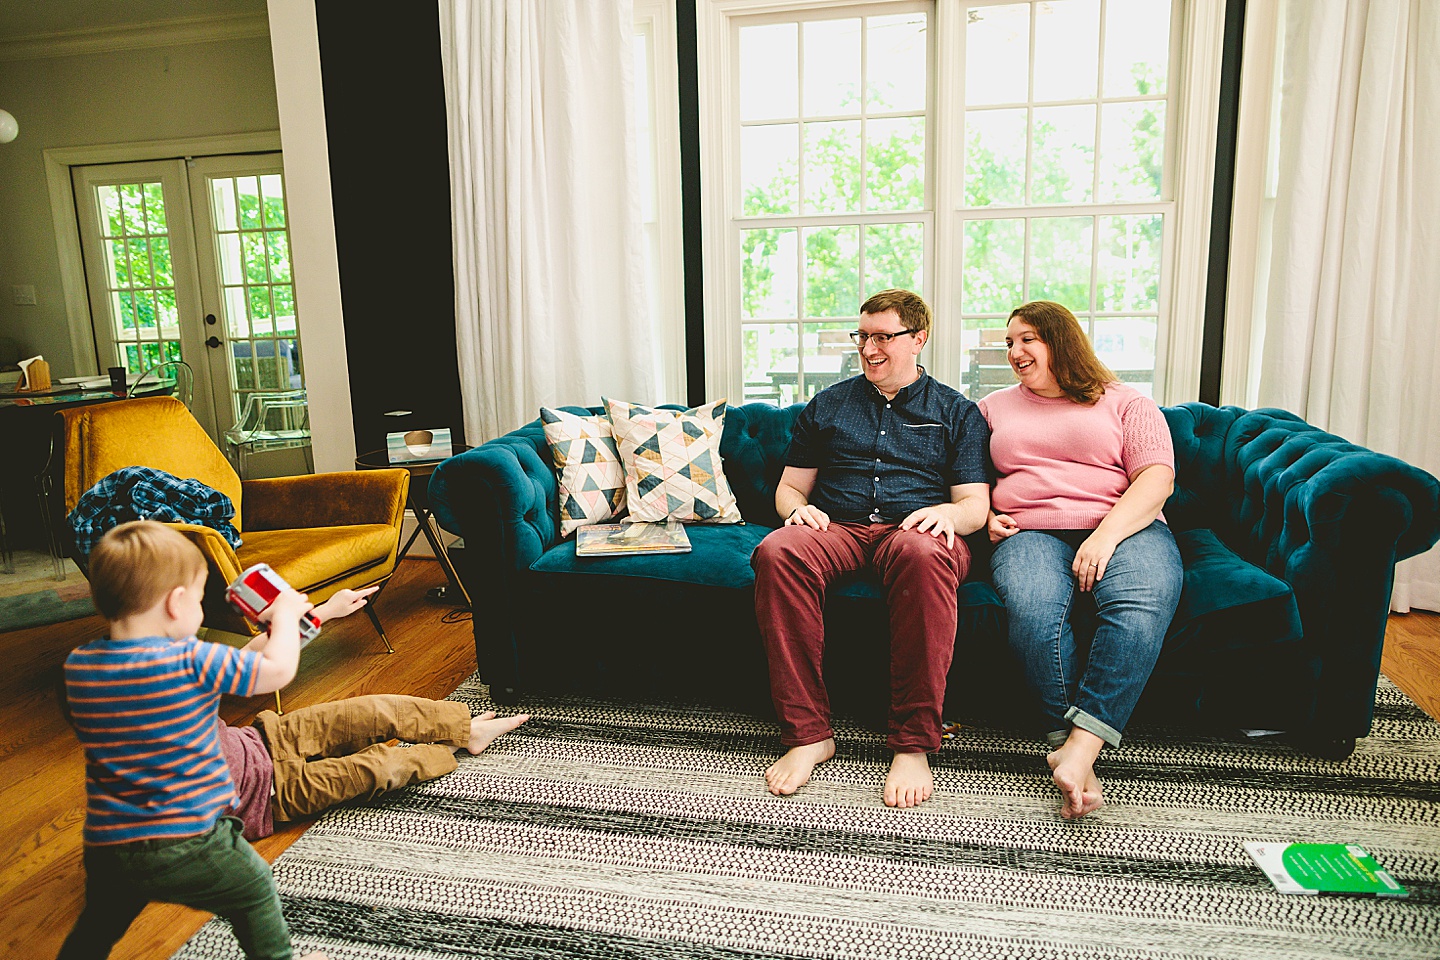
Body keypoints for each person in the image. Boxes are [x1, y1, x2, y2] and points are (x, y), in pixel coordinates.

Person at [752, 288, 991, 808]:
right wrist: (796, 510)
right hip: (839, 528)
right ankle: (808, 733)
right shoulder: (829, 404)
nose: (869, 348)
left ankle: (912, 743)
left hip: (915, 532)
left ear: (919, 339)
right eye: (863, 336)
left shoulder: (958, 412)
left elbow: (975, 506)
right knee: (777, 551)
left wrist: (947, 515)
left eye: (884, 336)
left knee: (922, 554)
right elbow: (789, 488)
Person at [59, 520, 324, 960]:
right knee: (255, 891)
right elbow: (278, 672)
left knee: (100, 923)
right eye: (200, 601)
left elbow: (208, 676)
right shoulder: (191, 658)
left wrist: (266, 642)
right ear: (176, 603)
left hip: (109, 845)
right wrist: (283, 619)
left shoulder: (79, 666)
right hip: (188, 839)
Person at [979, 300, 1182, 820]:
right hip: (1028, 528)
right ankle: (1068, 743)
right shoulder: (992, 407)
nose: (1015, 351)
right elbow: (965, 478)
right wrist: (983, 517)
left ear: (1061, 341)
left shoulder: (1126, 402)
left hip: (1123, 524)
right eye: (1009, 342)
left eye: (1028, 339)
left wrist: (1105, 536)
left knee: (1141, 603)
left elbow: (1157, 478)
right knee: (1033, 611)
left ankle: (1080, 746)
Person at [221, 681, 529, 843]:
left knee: (377, 709)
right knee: (380, 768)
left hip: (264, 737)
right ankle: (454, 746)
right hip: (272, 794)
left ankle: (466, 730)